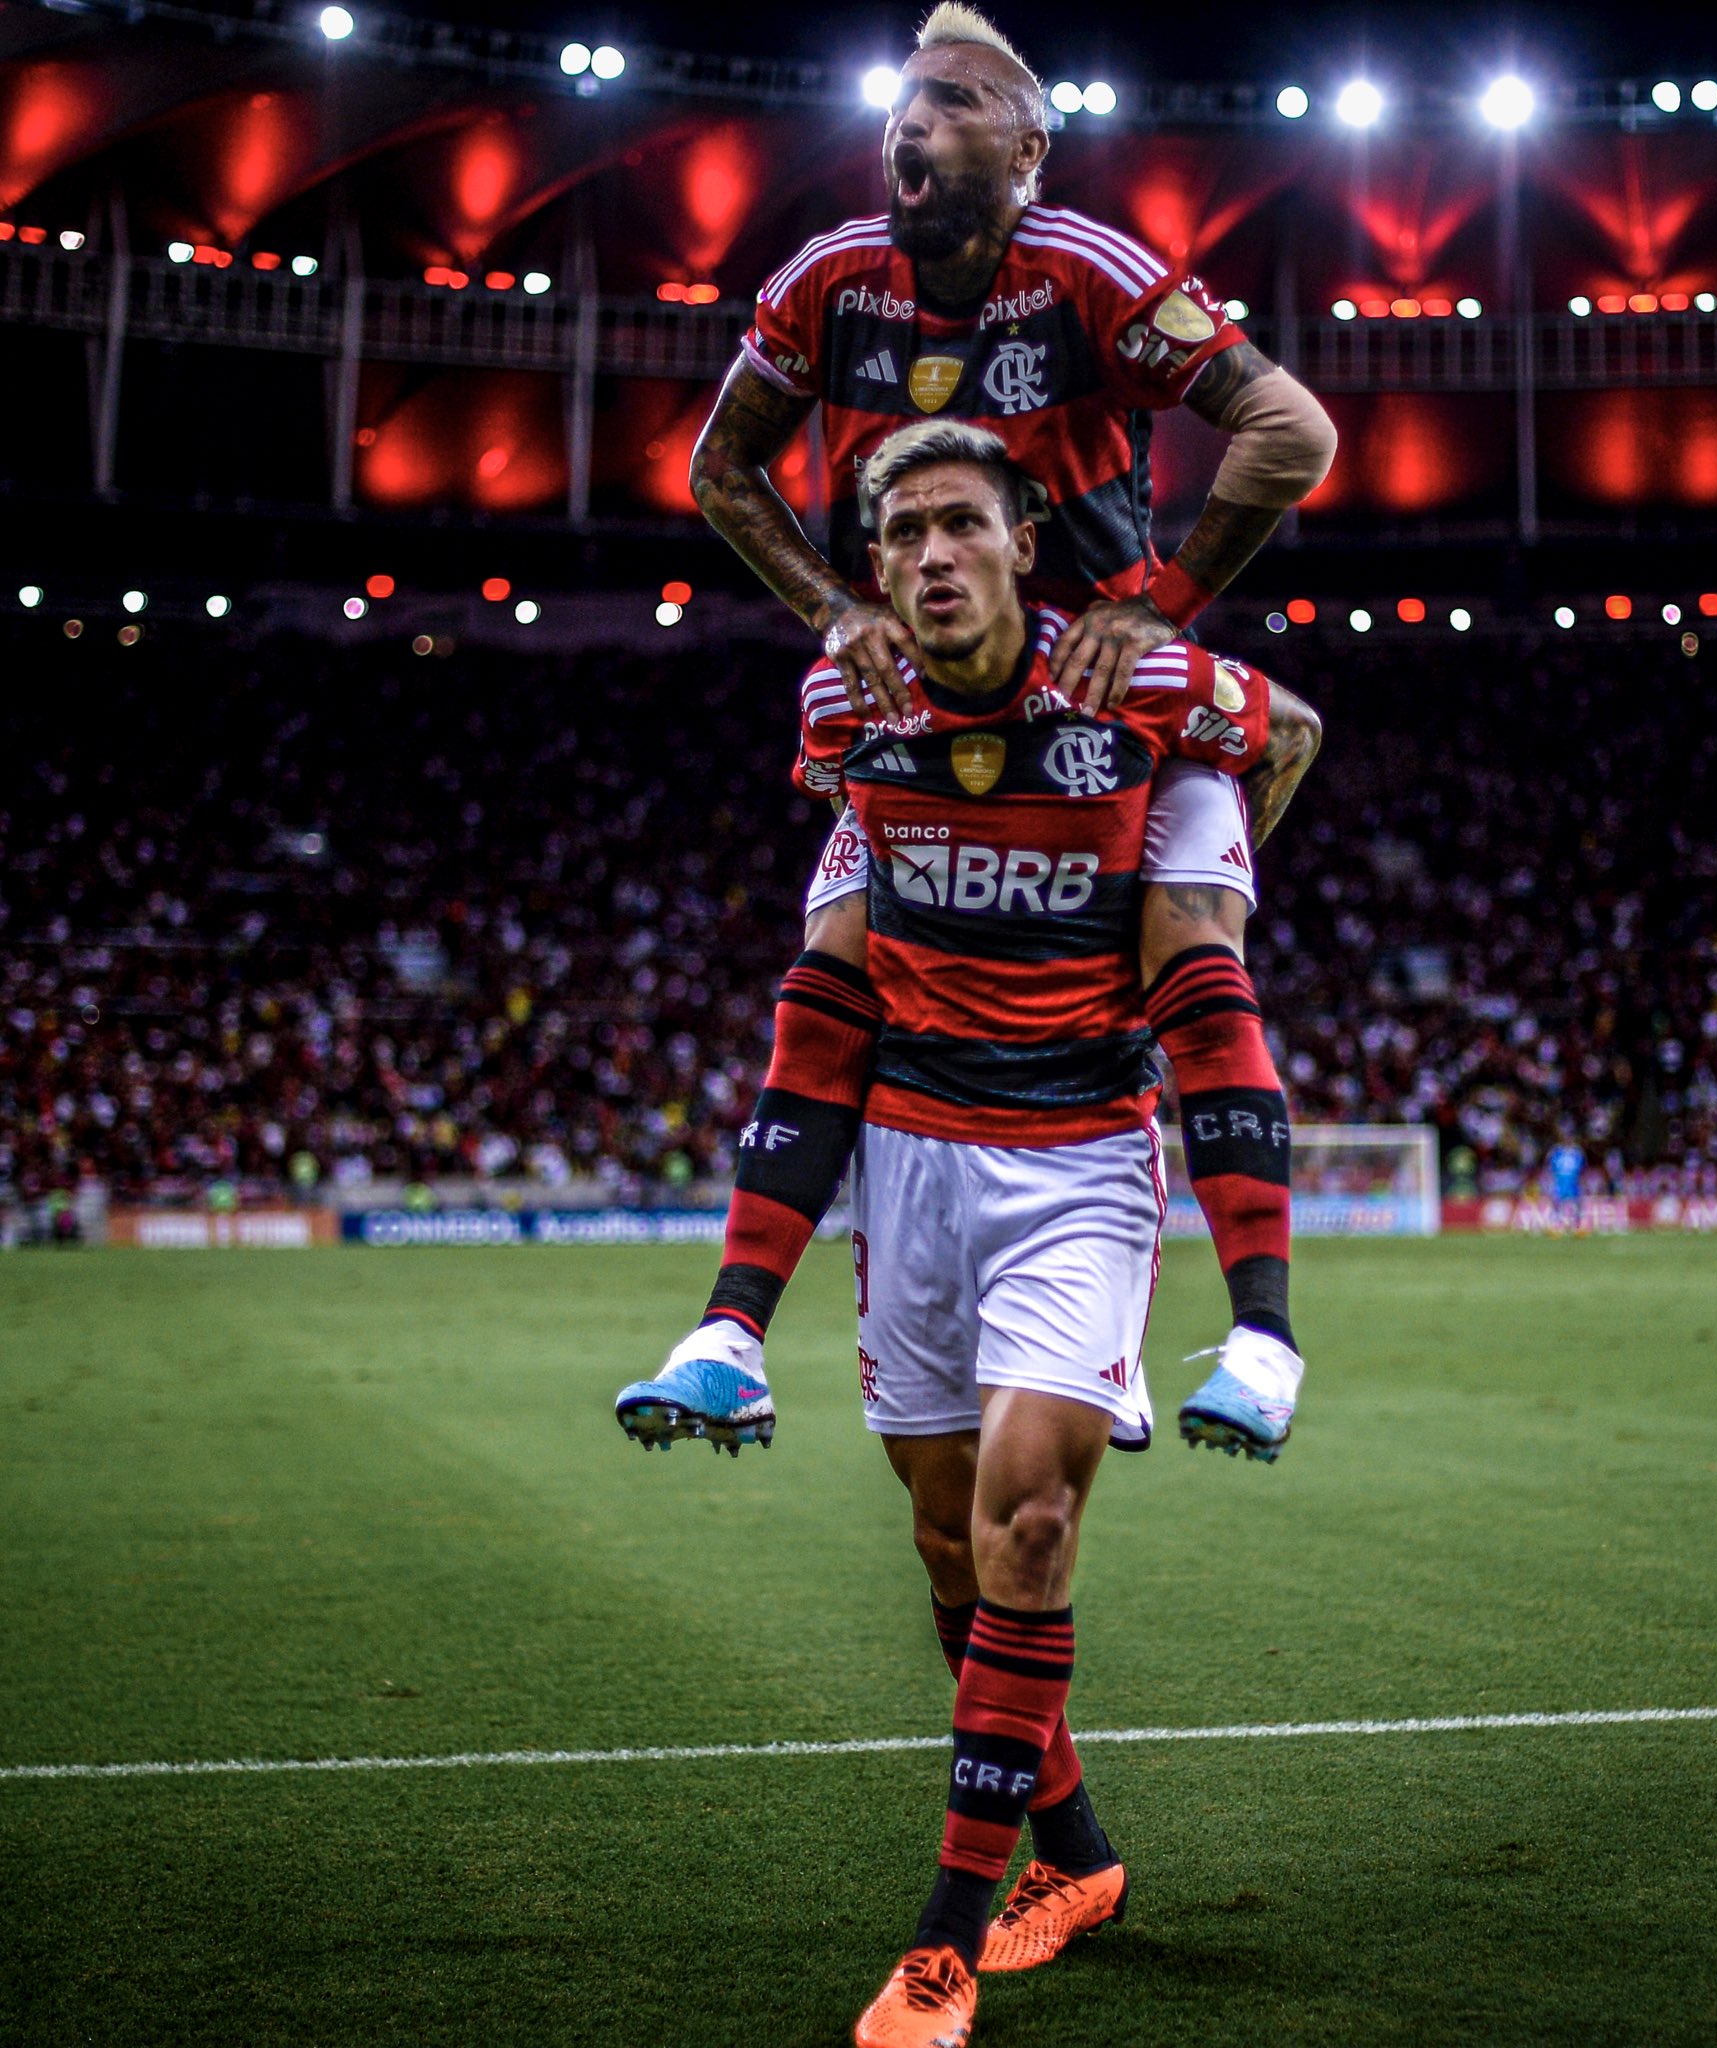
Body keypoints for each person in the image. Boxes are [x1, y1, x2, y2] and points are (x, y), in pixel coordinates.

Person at [633, 422, 1312, 2046]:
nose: (931, 556)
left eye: (961, 525)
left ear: (1024, 546)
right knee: (946, 1540)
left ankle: (938, 1945)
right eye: (902, 534)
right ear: (873, 572)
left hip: (1077, 1157)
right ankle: (1074, 1858)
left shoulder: (1140, 687)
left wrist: (1201, 861)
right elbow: (830, 985)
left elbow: (1281, 728)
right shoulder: (842, 708)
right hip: (910, 1165)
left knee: (1023, 1528)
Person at [651, 0, 1336, 1459]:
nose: (911, 124)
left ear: (1027, 150)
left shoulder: (1086, 274)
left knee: (1179, 953)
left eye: (956, 102)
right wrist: (840, 613)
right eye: (902, 104)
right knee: (834, 964)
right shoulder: (829, 283)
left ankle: (1254, 1337)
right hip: (931, 687)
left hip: (1109, 695)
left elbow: (1293, 434)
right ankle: (727, 1335)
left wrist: (1154, 603)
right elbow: (721, 472)